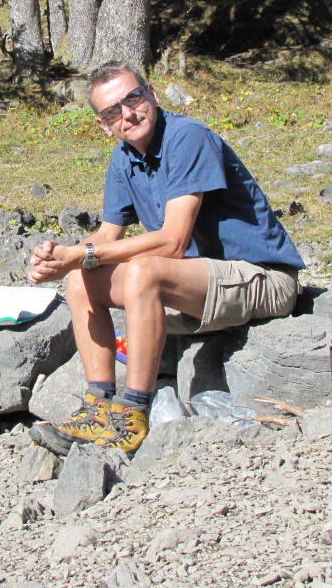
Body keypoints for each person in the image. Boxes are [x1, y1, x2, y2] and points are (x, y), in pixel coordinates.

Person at [27, 61, 305, 457]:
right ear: (104, 126)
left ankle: (134, 412)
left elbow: (173, 241)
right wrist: (60, 259)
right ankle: (98, 408)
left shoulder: (187, 138)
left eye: (133, 97)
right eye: (111, 111)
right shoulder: (125, 158)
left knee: (143, 270)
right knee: (79, 280)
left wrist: (83, 254)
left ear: (152, 94)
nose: (127, 113)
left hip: (262, 278)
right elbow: (107, 236)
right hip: (197, 284)